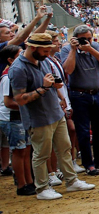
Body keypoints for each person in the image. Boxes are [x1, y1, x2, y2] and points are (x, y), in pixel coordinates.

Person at [8, 33, 93, 200]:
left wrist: (59, 95)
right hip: (38, 118)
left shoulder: (43, 60)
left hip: (55, 112)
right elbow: (19, 99)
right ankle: (42, 188)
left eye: (49, 50)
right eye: (45, 50)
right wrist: (44, 88)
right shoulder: (18, 69)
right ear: (33, 48)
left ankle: (71, 180)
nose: (48, 54)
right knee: (41, 154)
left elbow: (54, 82)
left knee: (65, 148)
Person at [59, 26, 99, 176]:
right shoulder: (67, 50)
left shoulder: (94, 47)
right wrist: (73, 50)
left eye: (89, 38)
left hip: (96, 93)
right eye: (83, 39)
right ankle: (88, 163)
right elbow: (68, 70)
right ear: (76, 38)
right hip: (79, 95)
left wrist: (90, 49)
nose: (87, 41)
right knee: (83, 131)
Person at [0, 44, 34, 196]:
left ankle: (29, 181)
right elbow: (8, 102)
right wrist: (27, 105)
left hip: (20, 117)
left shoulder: (17, 73)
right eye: (19, 54)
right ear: (10, 59)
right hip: (12, 118)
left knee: (25, 150)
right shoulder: (8, 77)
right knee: (19, 151)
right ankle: (21, 184)